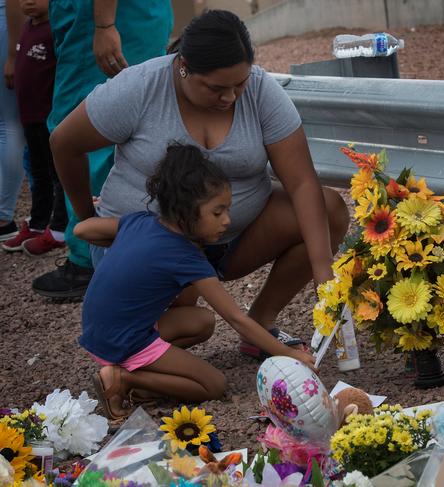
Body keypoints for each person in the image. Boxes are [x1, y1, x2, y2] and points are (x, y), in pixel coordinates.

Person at [51, 10, 350, 356]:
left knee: (328, 211)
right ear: (183, 66)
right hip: (149, 248)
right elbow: (64, 143)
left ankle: (261, 324)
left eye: (239, 84)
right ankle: (131, 354)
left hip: (227, 239)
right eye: (216, 88)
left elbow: (301, 183)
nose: (230, 98)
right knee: (188, 318)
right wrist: (87, 217)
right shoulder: (139, 87)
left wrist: (322, 268)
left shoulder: (261, 91)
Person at [75, 144, 316, 419]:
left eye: (227, 210)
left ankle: (138, 369)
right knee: (213, 384)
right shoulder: (186, 256)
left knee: (202, 321)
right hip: (123, 339)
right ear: (185, 212)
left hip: (100, 329)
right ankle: (125, 379)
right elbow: (236, 318)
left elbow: (83, 229)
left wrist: (130, 244)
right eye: (217, 212)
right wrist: (288, 354)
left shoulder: (140, 222)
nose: (227, 220)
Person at [30, 0, 173, 297]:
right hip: (133, 16)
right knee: (137, 116)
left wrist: (104, 25)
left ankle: (90, 257)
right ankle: (138, 248)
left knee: (83, 130)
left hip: (104, 17)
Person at [2, 0, 68, 255]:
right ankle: (39, 223)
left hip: (49, 118)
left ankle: (60, 228)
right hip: (29, 118)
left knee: (58, 175)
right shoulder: (27, 28)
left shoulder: (55, 30)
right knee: (38, 174)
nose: (27, 1)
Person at [0, 0, 25, 241]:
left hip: (9, 25)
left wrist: (13, 54)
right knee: (8, 125)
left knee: (9, 126)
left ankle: (3, 216)